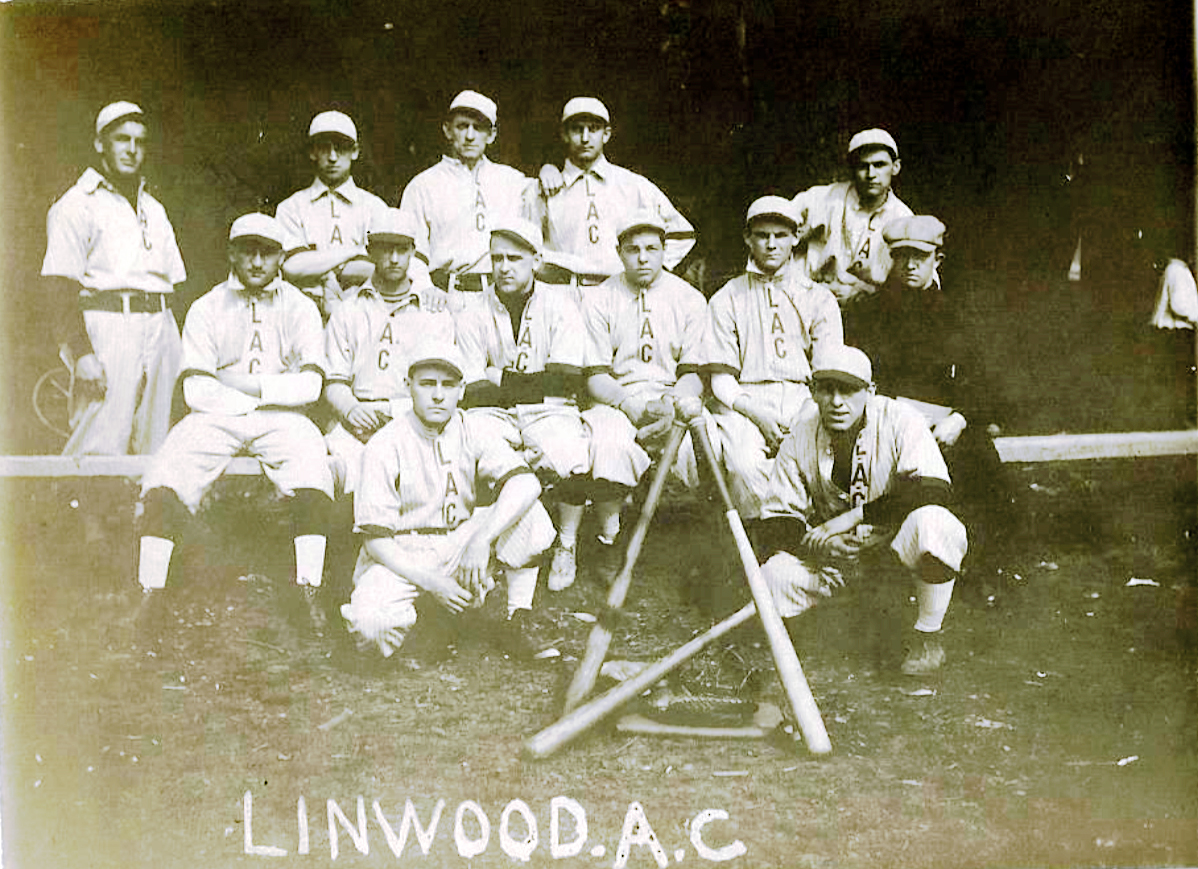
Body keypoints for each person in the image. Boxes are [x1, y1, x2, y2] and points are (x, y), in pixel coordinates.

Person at [135, 214, 334, 608]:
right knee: (168, 469)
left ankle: (309, 590)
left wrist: (244, 385)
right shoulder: (207, 307)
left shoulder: (301, 307)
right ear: (232, 254)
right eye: (248, 252)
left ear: (280, 257)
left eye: (267, 252)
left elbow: (311, 386)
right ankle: (148, 592)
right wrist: (269, 393)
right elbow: (195, 389)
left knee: (312, 466)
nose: (257, 262)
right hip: (216, 415)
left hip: (284, 419)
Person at [754, 345, 968, 675]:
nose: (837, 401)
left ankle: (927, 635)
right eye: (827, 389)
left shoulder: (900, 418)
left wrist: (856, 516)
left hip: (892, 552)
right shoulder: (800, 434)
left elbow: (933, 488)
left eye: (849, 390)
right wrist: (821, 544)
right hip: (835, 559)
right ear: (812, 391)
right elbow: (776, 519)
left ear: (870, 391)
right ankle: (831, 630)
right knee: (773, 575)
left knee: (935, 524)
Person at [339, 342, 556, 659]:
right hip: (403, 552)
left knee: (528, 511)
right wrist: (434, 584)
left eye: (448, 385)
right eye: (427, 384)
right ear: (408, 386)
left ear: (461, 389)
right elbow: (376, 543)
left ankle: (518, 619)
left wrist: (481, 541)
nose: (438, 395)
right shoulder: (384, 444)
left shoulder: (472, 428)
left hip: (461, 542)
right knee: (370, 627)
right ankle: (431, 623)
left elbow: (525, 481)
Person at [847, 214, 1017, 576]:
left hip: (946, 428)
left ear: (936, 260)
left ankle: (983, 571)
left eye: (919, 258)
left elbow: (986, 380)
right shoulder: (870, 313)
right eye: (902, 256)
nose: (909, 265)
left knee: (987, 475)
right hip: (887, 423)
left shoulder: (957, 313)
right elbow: (859, 376)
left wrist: (960, 418)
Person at [41, 100, 186, 457]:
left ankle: (143, 515)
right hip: (109, 326)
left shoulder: (153, 207)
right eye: (122, 139)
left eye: (139, 141)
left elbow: (175, 282)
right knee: (100, 439)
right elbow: (59, 287)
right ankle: (85, 515)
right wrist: (80, 353)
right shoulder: (77, 203)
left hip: (160, 325)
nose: (132, 149)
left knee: (158, 444)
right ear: (100, 144)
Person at [579, 211, 708, 574]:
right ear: (619, 252)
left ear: (664, 251)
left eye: (652, 248)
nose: (643, 257)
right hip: (615, 396)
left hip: (675, 395)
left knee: (705, 442)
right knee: (610, 444)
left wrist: (671, 404)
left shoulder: (689, 298)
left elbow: (694, 372)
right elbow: (594, 373)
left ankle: (703, 545)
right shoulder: (599, 298)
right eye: (633, 249)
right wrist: (630, 406)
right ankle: (610, 540)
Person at [700, 196, 842, 519]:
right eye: (762, 235)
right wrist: (758, 415)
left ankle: (811, 536)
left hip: (805, 397)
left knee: (818, 463)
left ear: (795, 238)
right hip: (746, 399)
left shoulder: (818, 298)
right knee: (744, 465)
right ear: (748, 239)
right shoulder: (727, 297)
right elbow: (721, 379)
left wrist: (808, 409)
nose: (771, 244)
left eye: (780, 235)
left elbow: (828, 369)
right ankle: (765, 542)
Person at [323, 208, 455, 495]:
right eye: (385, 250)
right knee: (334, 473)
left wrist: (394, 413)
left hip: (413, 418)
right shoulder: (348, 311)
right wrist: (351, 409)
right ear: (370, 251)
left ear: (413, 252)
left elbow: (442, 386)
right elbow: (334, 382)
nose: (394, 259)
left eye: (401, 249)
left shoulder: (434, 313)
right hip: (357, 420)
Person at [398, 90, 538, 311]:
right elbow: (413, 251)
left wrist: (551, 170)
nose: (470, 136)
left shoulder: (512, 180)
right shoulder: (423, 185)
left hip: (502, 298)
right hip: (448, 296)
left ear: (491, 135)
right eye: (462, 126)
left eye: (478, 127)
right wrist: (425, 288)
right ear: (448, 130)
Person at [535, 97, 695, 289]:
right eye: (577, 129)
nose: (585, 138)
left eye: (593, 129)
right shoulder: (545, 187)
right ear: (564, 134)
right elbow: (522, 246)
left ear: (606, 134)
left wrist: (648, 271)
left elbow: (681, 233)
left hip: (619, 291)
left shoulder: (632, 184)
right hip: (563, 292)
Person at [277, 110, 390, 321]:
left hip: (363, 312)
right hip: (306, 313)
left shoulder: (374, 207)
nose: (332, 157)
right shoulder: (291, 207)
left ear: (355, 151)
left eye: (341, 148)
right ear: (312, 152)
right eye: (324, 147)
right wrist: (354, 252)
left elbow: (381, 268)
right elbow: (293, 267)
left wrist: (317, 263)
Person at [791, 128, 913, 307]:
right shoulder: (827, 198)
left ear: (896, 167)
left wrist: (863, 290)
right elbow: (776, 221)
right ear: (852, 169)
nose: (871, 174)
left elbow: (922, 279)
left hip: (868, 307)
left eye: (879, 165)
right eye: (863, 166)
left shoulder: (904, 219)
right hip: (806, 297)